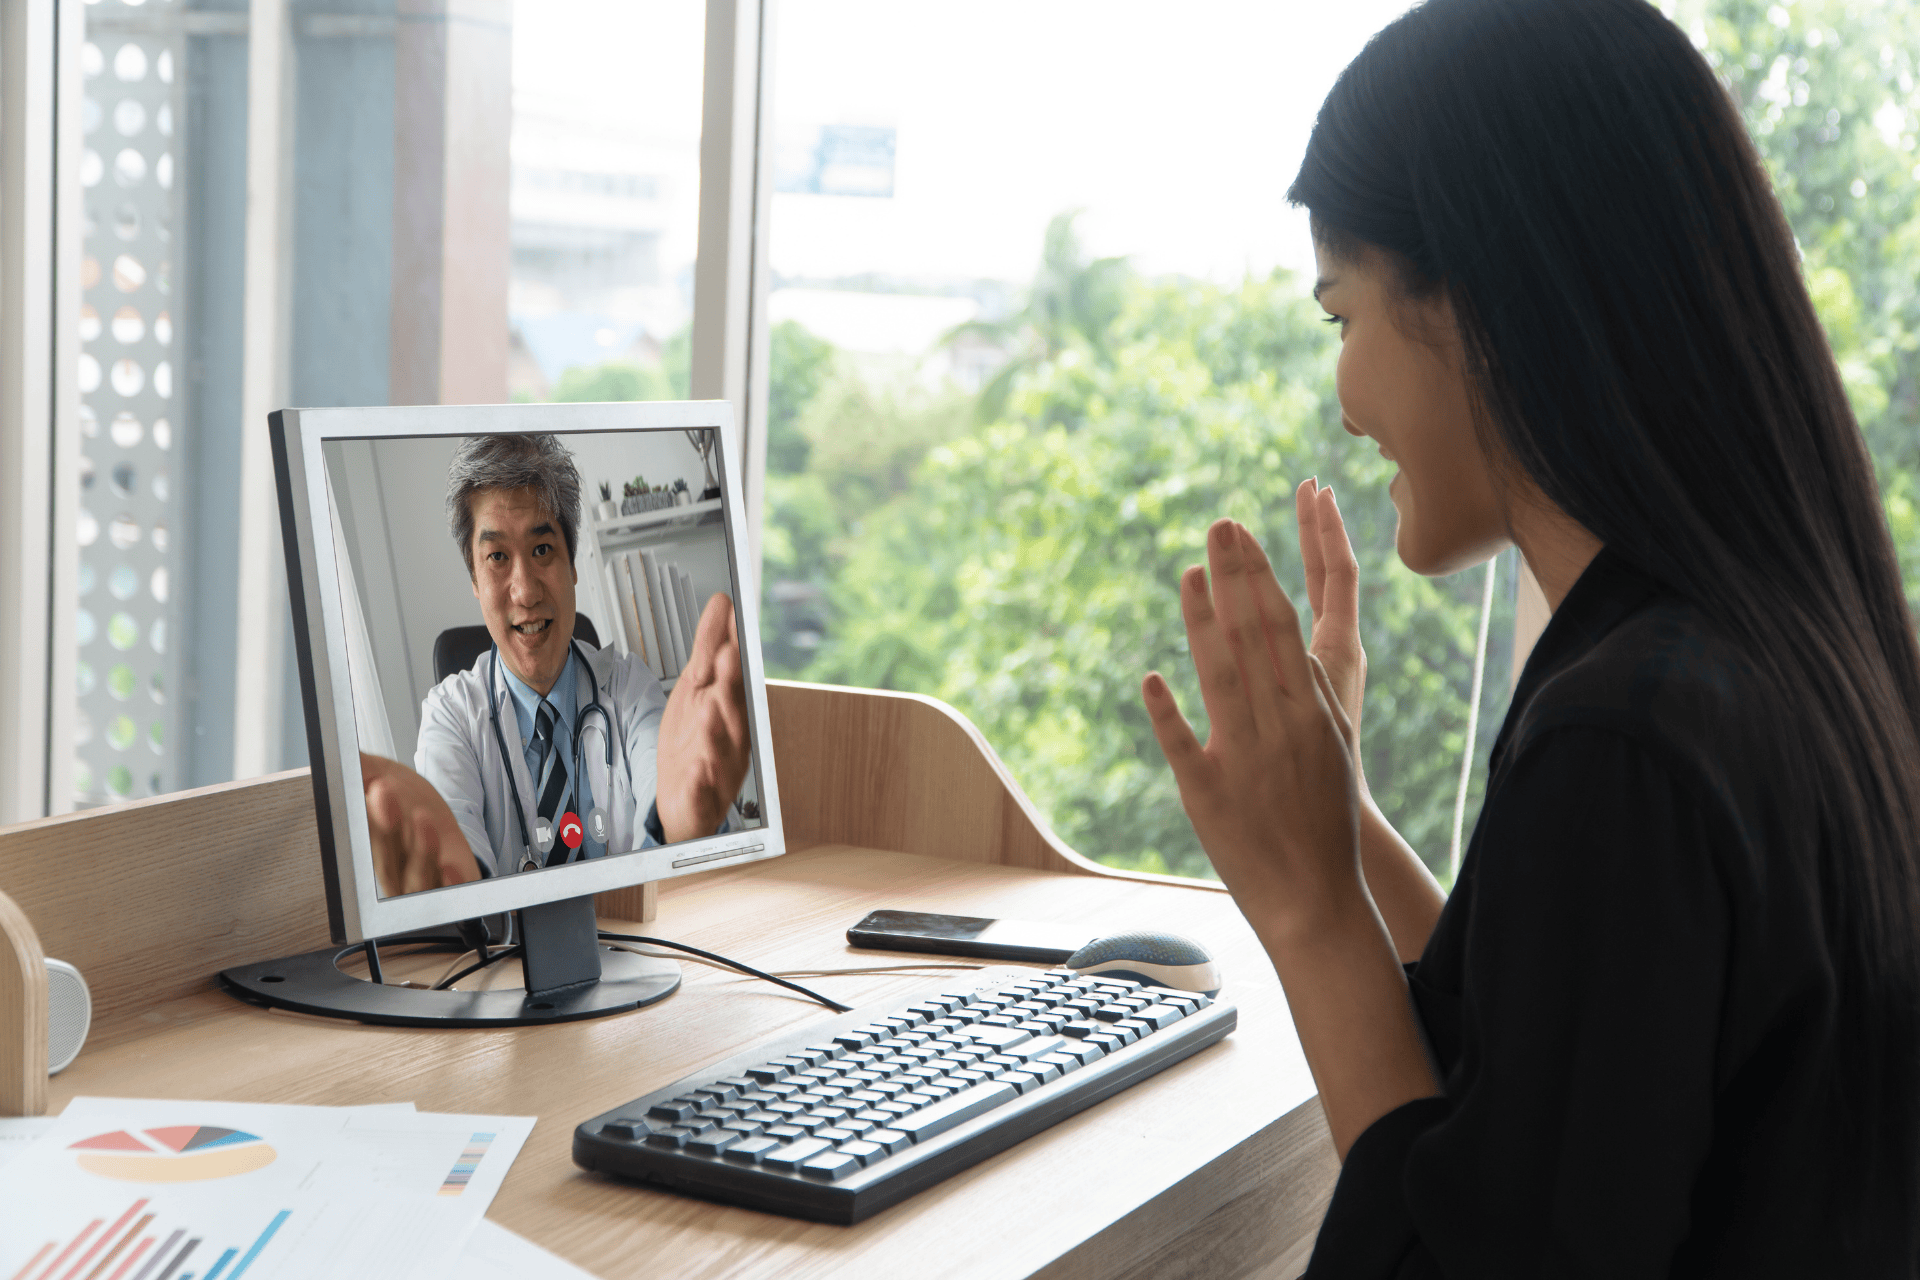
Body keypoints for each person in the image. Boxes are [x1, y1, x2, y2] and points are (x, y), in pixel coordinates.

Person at [1139, 0, 1920, 1273]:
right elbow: (1564, 1069)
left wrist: (1314, 911)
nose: (1344, 401)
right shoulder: (1773, 660)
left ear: (1490, 301)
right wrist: (1342, 831)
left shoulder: (1625, 743)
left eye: (1344, 316)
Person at [359, 433, 752, 896]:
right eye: (497, 558)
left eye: (543, 550)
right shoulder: (450, 714)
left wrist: (678, 829)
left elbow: (663, 790)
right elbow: (458, 852)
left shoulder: (626, 685)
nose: (525, 591)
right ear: (474, 580)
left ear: (573, 566)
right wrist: (453, 889)